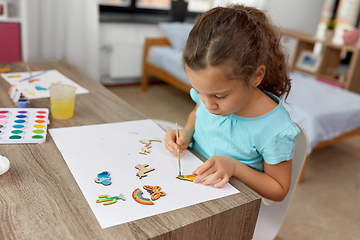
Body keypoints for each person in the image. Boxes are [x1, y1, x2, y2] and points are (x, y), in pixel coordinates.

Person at [164, 4, 300, 202]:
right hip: (195, 184)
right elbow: (197, 114)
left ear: (256, 76)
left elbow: (278, 190)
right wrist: (186, 133)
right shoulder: (207, 99)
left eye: (219, 96)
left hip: (233, 204)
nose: (208, 105)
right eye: (200, 91)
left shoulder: (275, 130)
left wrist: (235, 168)